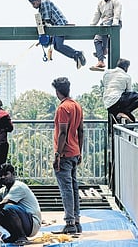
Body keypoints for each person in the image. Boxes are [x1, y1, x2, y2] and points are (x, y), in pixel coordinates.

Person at [51, 77, 84, 234]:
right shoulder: (77, 106)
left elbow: (63, 132)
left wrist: (58, 154)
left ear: (58, 92)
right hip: (75, 152)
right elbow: (81, 130)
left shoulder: (63, 108)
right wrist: (80, 151)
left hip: (64, 153)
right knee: (73, 186)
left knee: (66, 189)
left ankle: (69, 222)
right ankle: (76, 221)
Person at [28, 0, 87, 69]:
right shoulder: (40, 9)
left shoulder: (44, 3)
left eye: (33, 3)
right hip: (55, 28)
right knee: (56, 47)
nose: (33, 6)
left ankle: (78, 54)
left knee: (59, 45)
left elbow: (46, 20)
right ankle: (75, 56)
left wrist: (43, 30)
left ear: (38, 0)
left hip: (60, 25)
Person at [0, 163, 42, 244]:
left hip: (32, 224)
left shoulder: (18, 186)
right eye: (1, 175)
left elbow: (5, 202)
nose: (3, 177)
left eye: (6, 174)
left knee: (7, 208)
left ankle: (22, 236)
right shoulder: (3, 190)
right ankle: (14, 235)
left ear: (13, 174)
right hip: (25, 221)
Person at [90, 0, 122, 72]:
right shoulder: (100, 3)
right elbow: (97, 15)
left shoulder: (115, 1)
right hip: (104, 24)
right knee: (96, 39)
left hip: (113, 23)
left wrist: (114, 25)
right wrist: (91, 26)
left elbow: (117, 14)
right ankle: (100, 61)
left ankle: (105, 49)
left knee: (105, 26)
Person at [102, 58, 138, 124]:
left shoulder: (107, 73)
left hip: (108, 104)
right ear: (125, 67)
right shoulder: (126, 76)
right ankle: (125, 112)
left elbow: (105, 85)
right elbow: (128, 92)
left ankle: (122, 113)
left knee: (132, 119)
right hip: (118, 100)